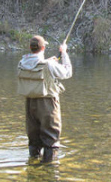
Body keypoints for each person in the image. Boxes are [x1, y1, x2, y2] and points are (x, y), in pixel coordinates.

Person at [17, 35, 72, 163]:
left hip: (30, 103)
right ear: (43, 47)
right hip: (48, 104)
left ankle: (33, 164)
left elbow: (35, 65)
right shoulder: (49, 65)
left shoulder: (22, 63)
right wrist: (64, 53)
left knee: (34, 138)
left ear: (30, 48)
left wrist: (49, 61)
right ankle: (49, 169)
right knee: (51, 139)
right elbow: (67, 72)